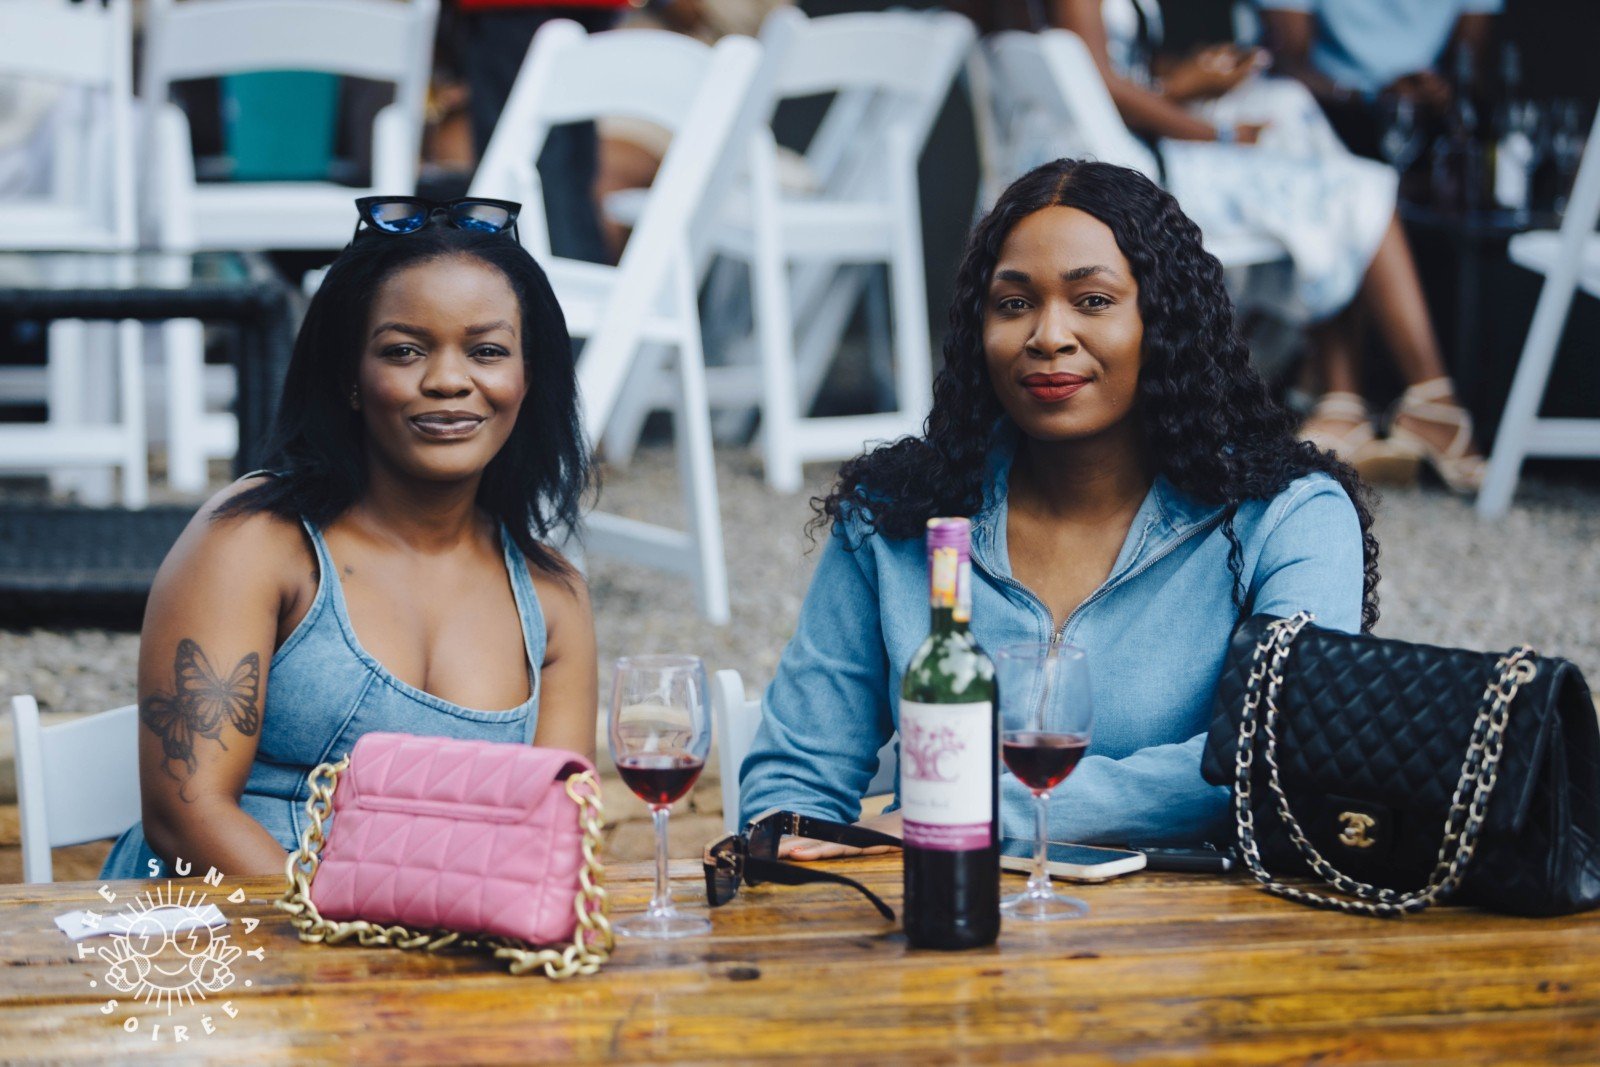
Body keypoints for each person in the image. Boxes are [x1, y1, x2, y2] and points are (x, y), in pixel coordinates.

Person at [739, 158, 1376, 858]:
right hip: (939, 910)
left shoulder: (1287, 518)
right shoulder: (896, 519)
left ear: (1165, 321)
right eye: (1013, 304)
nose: (1048, 335)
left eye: (1093, 300)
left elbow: (1275, 753)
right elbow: (796, 777)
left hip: (1194, 918)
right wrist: (795, 855)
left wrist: (960, 814)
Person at [100, 199, 597, 879]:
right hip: (220, 924)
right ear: (350, 380)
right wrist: (340, 930)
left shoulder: (552, 597)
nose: (448, 381)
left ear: (528, 378)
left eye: (486, 351)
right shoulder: (257, 541)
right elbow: (186, 813)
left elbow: (552, 840)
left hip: (429, 937)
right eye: (403, 351)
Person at [1053, 0, 1486, 493]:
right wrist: (1214, 130)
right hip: (1124, 171)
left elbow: (1119, 70)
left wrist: (1190, 75)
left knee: (1290, 113)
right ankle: (1422, 400)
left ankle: (1344, 403)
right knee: (1354, 190)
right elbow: (1095, 85)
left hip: (1128, 145)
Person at [1259, 0, 1501, 161]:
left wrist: (1438, 90)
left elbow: (1468, 62)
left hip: (1433, 120)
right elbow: (1284, 63)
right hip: (1325, 116)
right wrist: (1370, 97)